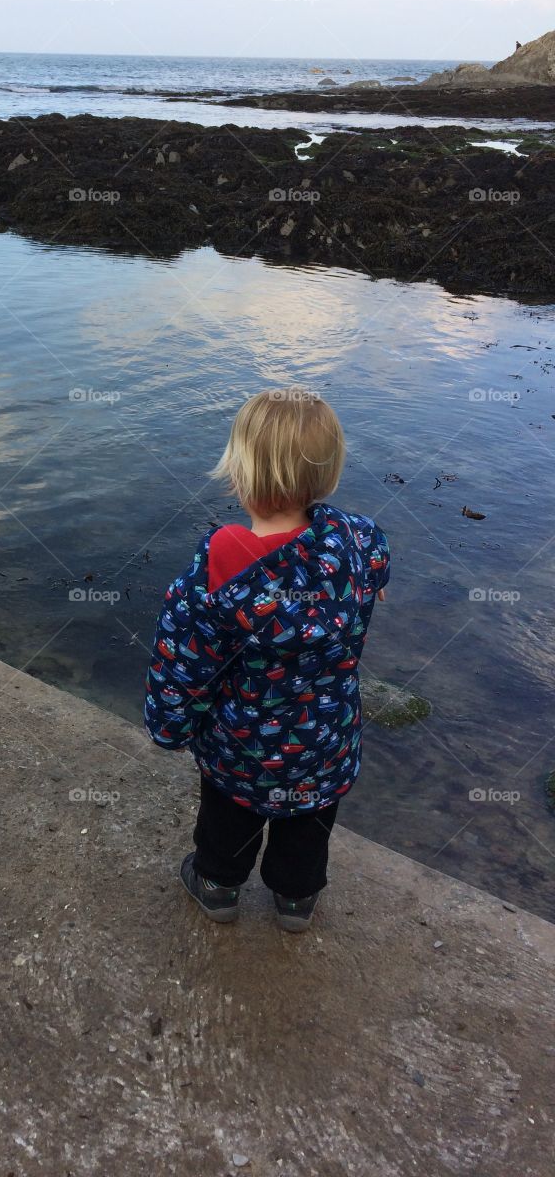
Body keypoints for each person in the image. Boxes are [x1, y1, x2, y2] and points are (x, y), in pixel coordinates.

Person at [143, 388, 390, 932]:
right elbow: (377, 560)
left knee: (227, 822)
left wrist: (169, 728)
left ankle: (217, 888)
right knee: (308, 824)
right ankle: (297, 902)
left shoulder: (219, 573)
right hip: (324, 740)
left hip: (241, 748)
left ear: (239, 473)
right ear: (327, 472)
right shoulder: (354, 540)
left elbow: (183, 665)